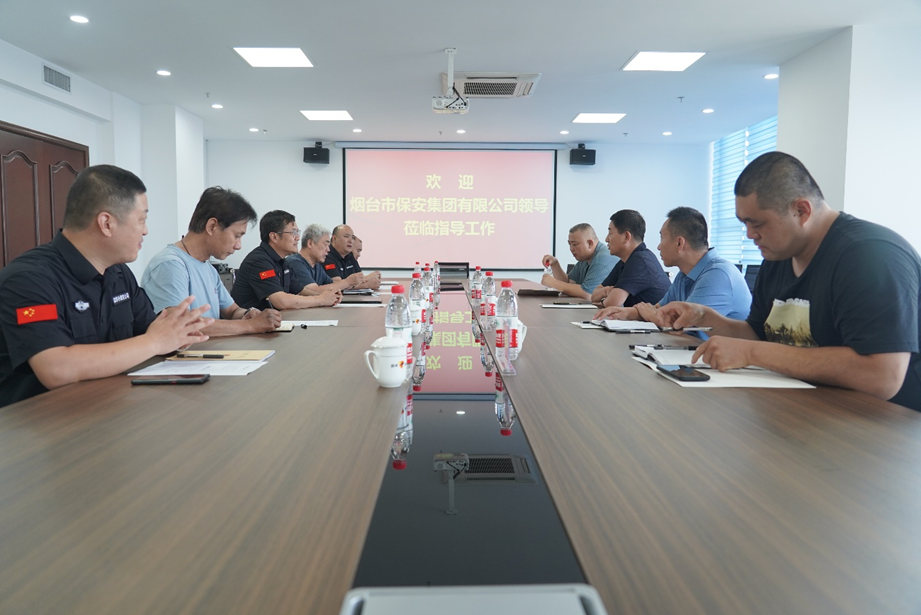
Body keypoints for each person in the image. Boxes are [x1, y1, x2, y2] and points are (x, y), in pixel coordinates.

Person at [656, 151, 921, 411]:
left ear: (801, 211)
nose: (749, 235)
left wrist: (753, 353)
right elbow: (757, 334)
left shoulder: (869, 256)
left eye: (757, 224)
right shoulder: (777, 257)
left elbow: (882, 375)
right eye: (744, 224)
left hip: (887, 424)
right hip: (804, 410)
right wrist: (705, 317)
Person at [0, 165, 213, 407]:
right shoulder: (28, 280)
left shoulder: (119, 273)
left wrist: (176, 334)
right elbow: (56, 368)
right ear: (106, 223)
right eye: (142, 220)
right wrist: (155, 342)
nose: (146, 231)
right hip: (39, 421)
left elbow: (149, 331)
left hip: (108, 407)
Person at [142, 187, 282, 336]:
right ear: (212, 226)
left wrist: (247, 314)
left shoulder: (208, 268)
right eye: (237, 236)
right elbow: (180, 325)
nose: (238, 246)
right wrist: (250, 325)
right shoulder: (170, 265)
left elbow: (232, 311)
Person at [594, 207, 750, 326]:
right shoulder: (684, 274)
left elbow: (683, 327)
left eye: (662, 238)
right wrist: (623, 312)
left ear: (679, 243)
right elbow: (659, 309)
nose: (658, 247)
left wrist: (653, 316)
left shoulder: (717, 274)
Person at [231, 210, 341, 310]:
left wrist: (327, 297)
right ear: (274, 237)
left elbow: (300, 291)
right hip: (249, 323)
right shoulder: (259, 261)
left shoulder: (282, 261)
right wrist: (321, 300)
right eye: (293, 233)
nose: (298, 238)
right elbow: (280, 301)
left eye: (298, 232)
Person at [590, 210, 671, 308]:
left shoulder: (640, 261)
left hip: (656, 318)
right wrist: (607, 291)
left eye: (610, 233)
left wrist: (605, 298)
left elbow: (612, 303)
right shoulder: (625, 261)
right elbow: (594, 296)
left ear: (626, 237)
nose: (606, 239)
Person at [541, 223, 618, 300]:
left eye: (575, 244)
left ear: (590, 243)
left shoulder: (601, 260)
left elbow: (588, 294)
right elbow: (569, 282)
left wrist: (554, 283)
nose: (571, 248)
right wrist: (555, 264)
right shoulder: (585, 258)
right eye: (570, 244)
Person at [286, 223, 365, 293]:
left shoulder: (317, 266)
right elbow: (312, 291)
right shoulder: (295, 263)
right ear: (310, 243)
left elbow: (333, 285)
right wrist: (347, 282)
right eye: (325, 244)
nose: (328, 249)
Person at [324, 224, 381, 290]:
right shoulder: (327, 256)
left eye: (353, 238)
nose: (350, 241)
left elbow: (360, 278)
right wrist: (367, 284)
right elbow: (338, 285)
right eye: (346, 236)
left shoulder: (350, 255)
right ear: (334, 239)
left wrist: (370, 279)